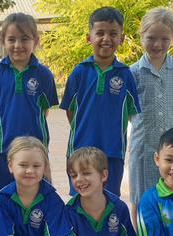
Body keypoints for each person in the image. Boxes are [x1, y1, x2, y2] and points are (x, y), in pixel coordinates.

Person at [129, 6, 173, 236]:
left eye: (164, 38)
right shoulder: (131, 72)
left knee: (172, 194)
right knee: (142, 196)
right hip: (143, 145)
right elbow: (129, 113)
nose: (157, 44)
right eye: (151, 37)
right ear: (141, 35)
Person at [60, 6, 141, 197]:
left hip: (112, 152)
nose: (106, 39)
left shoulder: (125, 74)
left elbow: (130, 113)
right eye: (100, 33)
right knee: (81, 198)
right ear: (89, 38)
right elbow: (70, 110)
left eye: (113, 34)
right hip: (80, 149)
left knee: (110, 200)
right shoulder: (79, 72)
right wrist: (84, 130)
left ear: (121, 39)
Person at [0, 13, 59, 193]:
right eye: (12, 39)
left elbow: (44, 111)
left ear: (36, 41)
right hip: (3, 148)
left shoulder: (44, 75)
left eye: (25, 39)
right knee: (4, 196)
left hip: (35, 149)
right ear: (3, 41)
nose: (18, 45)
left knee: (38, 196)